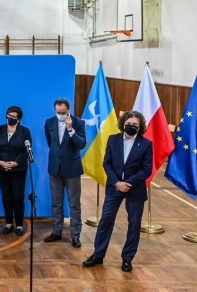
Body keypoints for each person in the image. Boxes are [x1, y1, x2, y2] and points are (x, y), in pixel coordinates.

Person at [82, 111, 153, 273]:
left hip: (134, 189)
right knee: (105, 221)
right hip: (114, 187)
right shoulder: (113, 139)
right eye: (129, 124)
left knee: (134, 224)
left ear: (140, 127)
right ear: (123, 124)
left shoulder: (146, 144)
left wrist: (128, 183)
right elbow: (107, 163)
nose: (131, 126)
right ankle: (98, 255)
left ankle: (127, 258)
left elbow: (146, 169)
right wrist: (117, 182)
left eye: (135, 125)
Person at [43, 98, 87, 248]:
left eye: (63, 112)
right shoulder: (49, 122)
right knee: (56, 203)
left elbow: (81, 144)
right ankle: (56, 231)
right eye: (58, 112)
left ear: (68, 109)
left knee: (74, 204)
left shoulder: (79, 123)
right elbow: (51, 143)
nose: (60, 115)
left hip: (72, 169)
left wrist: (70, 130)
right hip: (55, 168)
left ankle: (75, 235)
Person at [0, 105, 32, 235]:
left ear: (18, 119)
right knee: (6, 197)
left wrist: (15, 162)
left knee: (18, 197)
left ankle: (18, 225)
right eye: (9, 115)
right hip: (2, 169)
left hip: (19, 169)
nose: (10, 118)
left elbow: (27, 150)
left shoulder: (25, 131)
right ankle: (8, 223)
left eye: (13, 117)